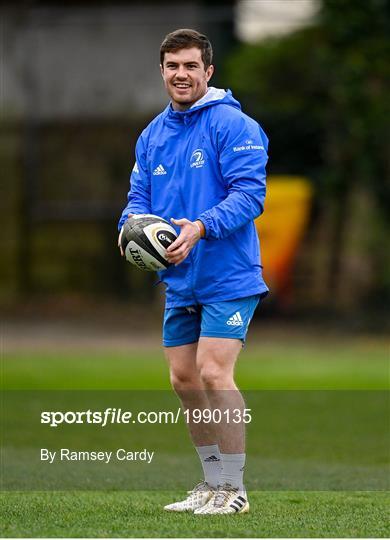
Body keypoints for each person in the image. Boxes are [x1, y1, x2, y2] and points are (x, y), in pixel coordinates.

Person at [118, 28, 269, 515]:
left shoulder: (234, 125)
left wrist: (201, 227)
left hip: (228, 274)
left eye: (190, 66)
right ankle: (210, 483)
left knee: (212, 371)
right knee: (184, 379)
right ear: (161, 71)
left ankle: (235, 490)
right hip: (180, 279)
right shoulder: (152, 134)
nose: (180, 74)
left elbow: (250, 195)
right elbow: (138, 200)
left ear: (208, 71)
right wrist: (130, 232)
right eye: (171, 66)